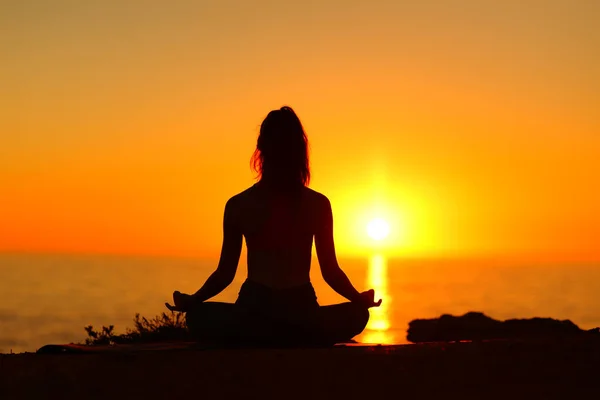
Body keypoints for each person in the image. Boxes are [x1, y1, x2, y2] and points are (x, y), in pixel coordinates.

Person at [166, 106, 382, 347]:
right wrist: (358, 300)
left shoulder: (239, 204)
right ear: (300, 150)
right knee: (358, 315)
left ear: (260, 147)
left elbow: (225, 274)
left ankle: (266, 335)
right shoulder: (317, 204)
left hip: (254, 315)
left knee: (198, 317)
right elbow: (330, 272)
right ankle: (293, 335)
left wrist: (193, 301)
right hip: (300, 316)